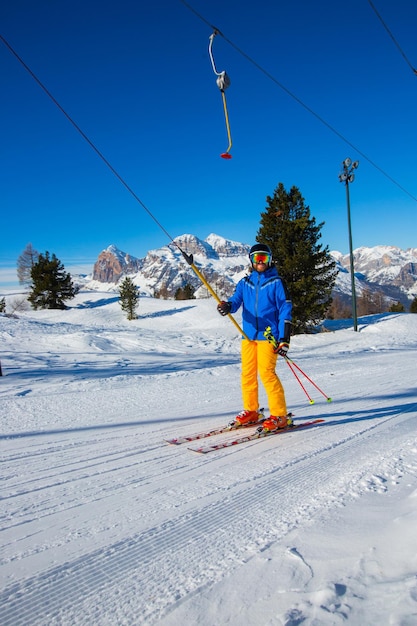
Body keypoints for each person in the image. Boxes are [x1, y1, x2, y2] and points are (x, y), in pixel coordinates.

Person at [217, 243, 293, 431]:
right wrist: (228, 306)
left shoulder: (276, 283)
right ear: (251, 260)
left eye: (264, 258)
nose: (260, 262)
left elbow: (285, 310)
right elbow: (236, 301)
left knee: (267, 373)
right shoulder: (245, 283)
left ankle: (279, 414)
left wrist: (284, 338)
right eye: (257, 258)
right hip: (248, 336)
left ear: (270, 259)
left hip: (269, 336)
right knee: (248, 374)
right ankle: (251, 411)